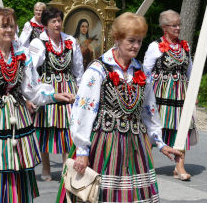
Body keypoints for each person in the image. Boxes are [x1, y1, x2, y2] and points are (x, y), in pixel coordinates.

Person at [0, 7, 74, 203]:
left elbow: (32, 88)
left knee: (18, 166)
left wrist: (54, 95)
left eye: (11, 25)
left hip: (18, 118)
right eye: (4, 26)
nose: (9, 30)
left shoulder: (22, 54)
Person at [67, 12, 182, 203]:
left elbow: (149, 110)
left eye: (139, 41)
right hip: (104, 143)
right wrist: (82, 150)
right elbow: (83, 111)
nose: (136, 46)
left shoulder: (142, 72)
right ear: (117, 39)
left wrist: (160, 143)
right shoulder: (98, 70)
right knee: (102, 196)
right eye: (131, 40)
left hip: (136, 146)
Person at [29, 7, 84, 181]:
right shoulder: (38, 43)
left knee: (69, 129)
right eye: (53, 21)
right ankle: (45, 166)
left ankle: (66, 167)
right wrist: (34, 93)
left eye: (59, 20)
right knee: (46, 128)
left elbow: (79, 69)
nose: (58, 24)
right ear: (45, 24)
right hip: (48, 90)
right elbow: (30, 70)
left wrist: (80, 90)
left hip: (68, 89)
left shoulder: (70, 42)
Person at [143, 10, 194, 181]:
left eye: (179, 24)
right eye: (174, 25)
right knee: (155, 125)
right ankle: (146, 164)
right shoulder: (155, 46)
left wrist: (193, 92)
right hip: (160, 94)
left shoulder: (184, 46)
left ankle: (179, 167)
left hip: (180, 94)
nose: (178, 28)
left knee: (181, 127)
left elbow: (190, 71)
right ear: (165, 27)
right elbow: (145, 71)